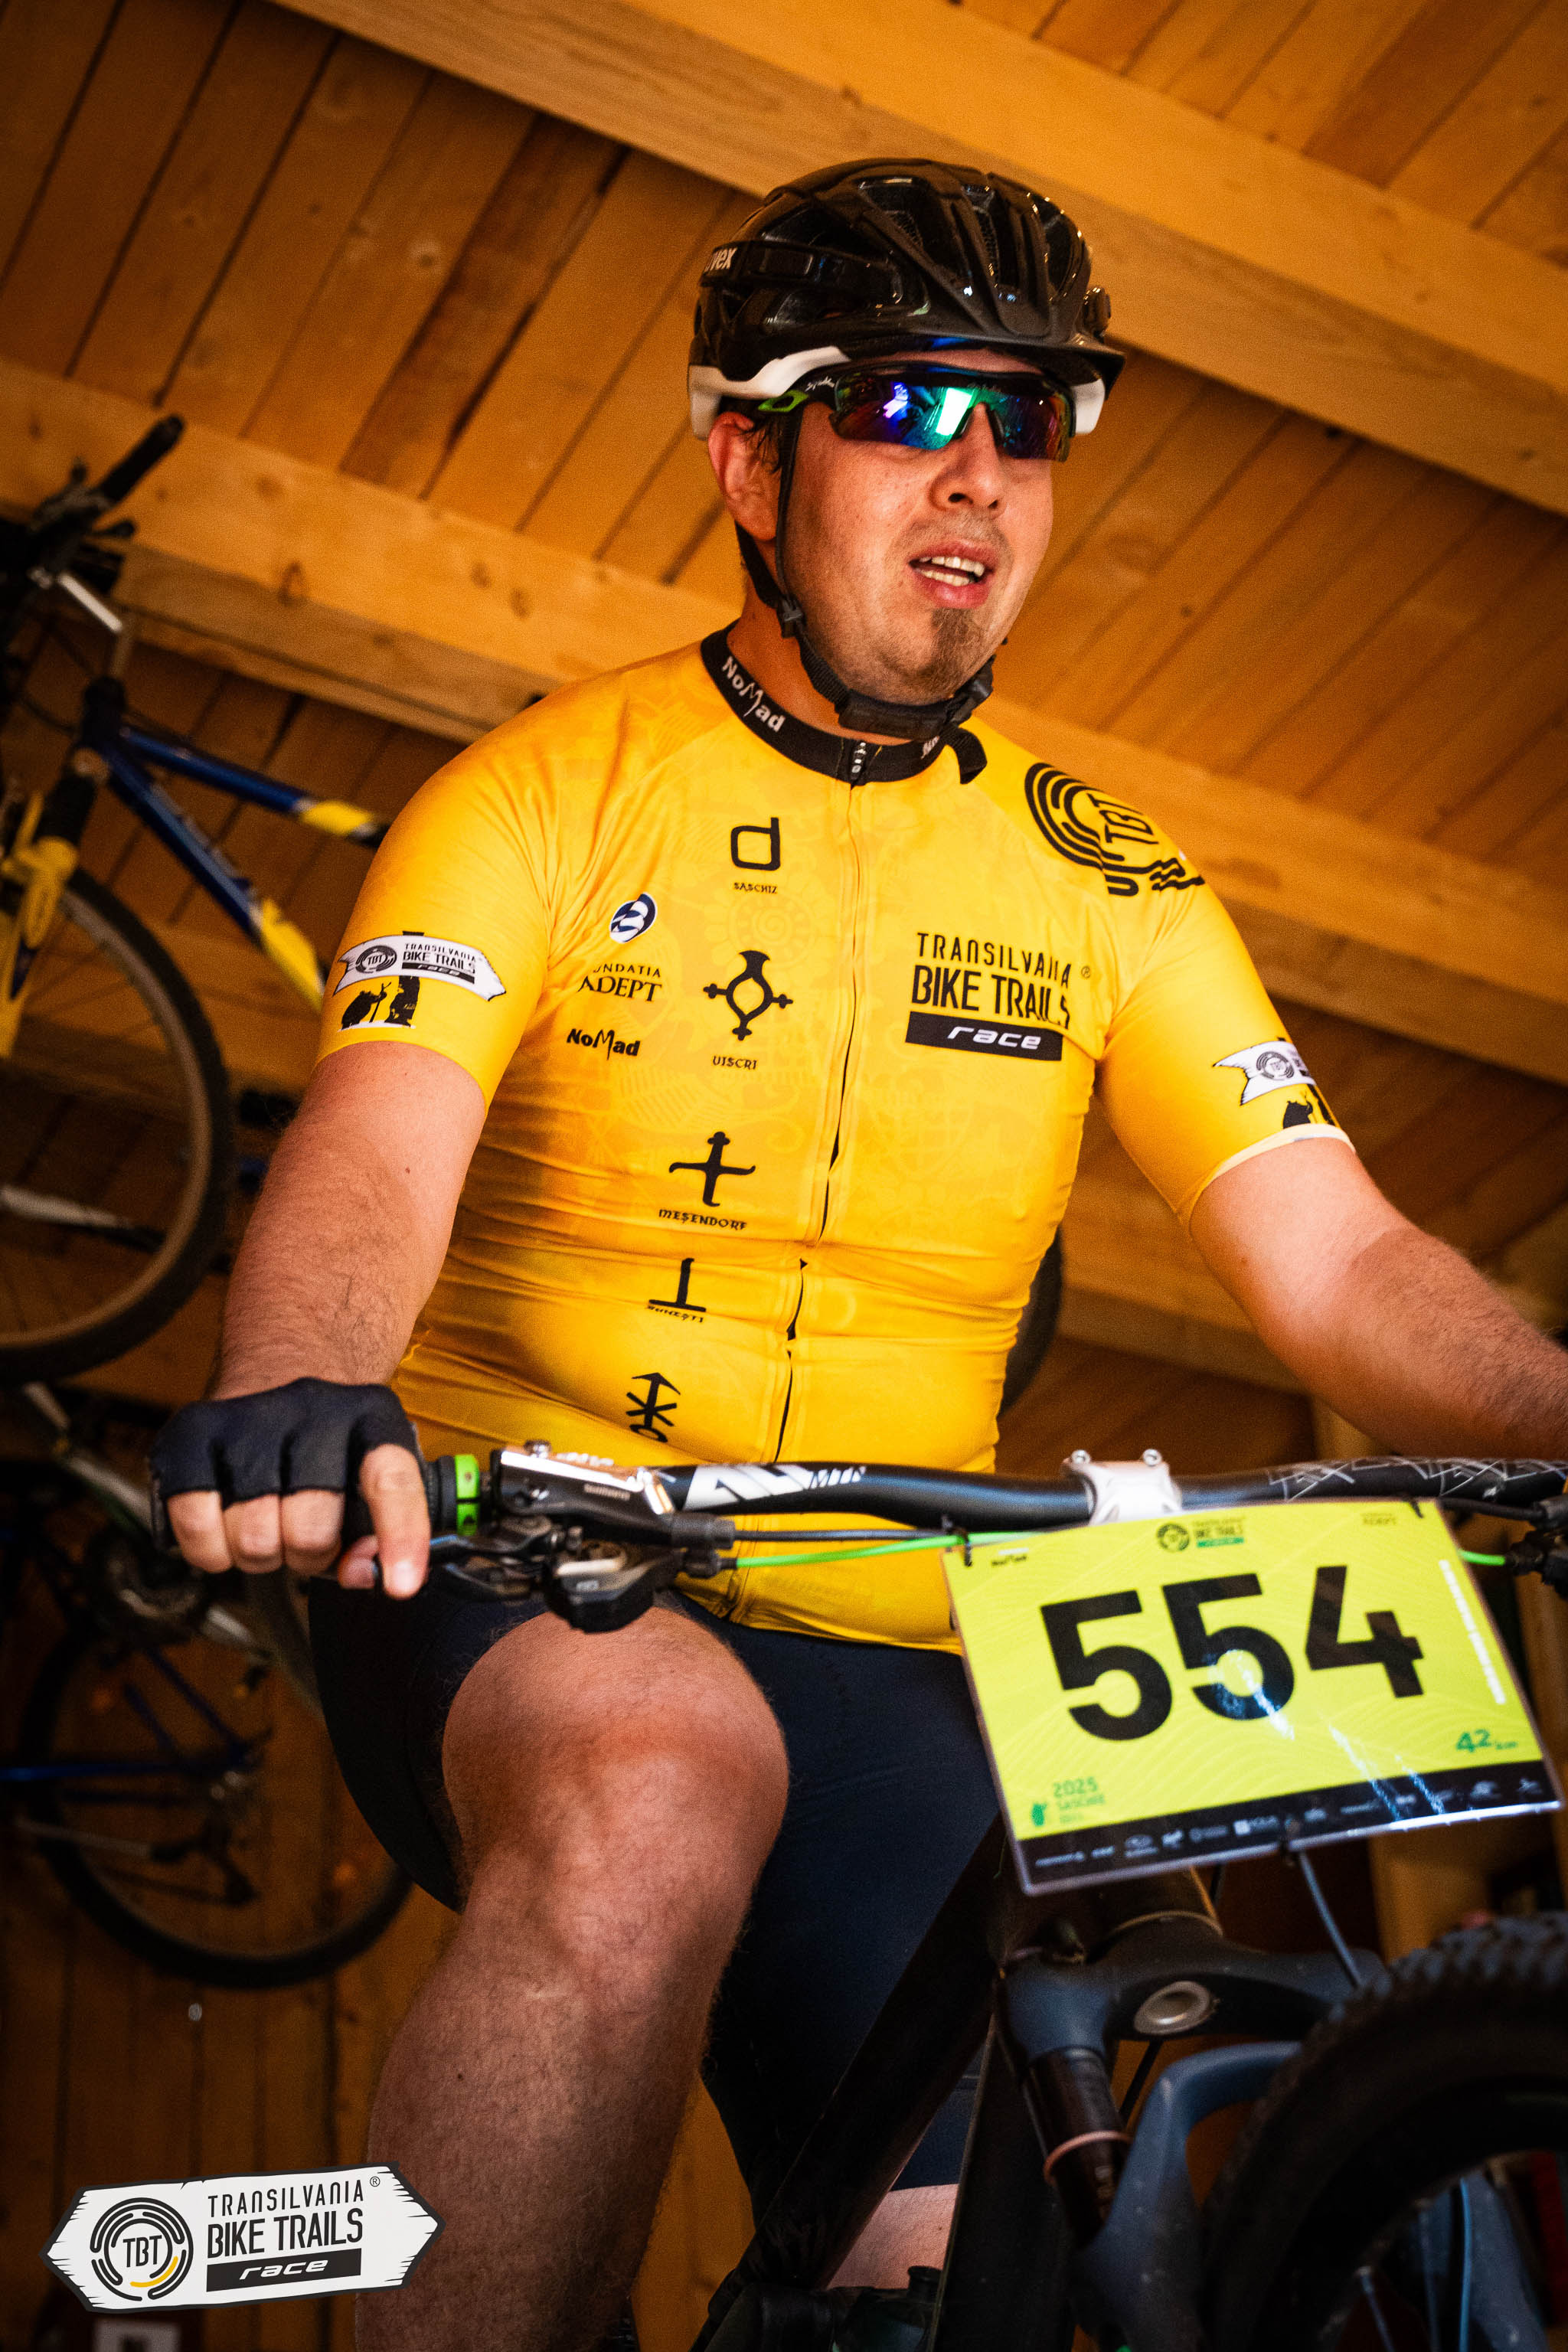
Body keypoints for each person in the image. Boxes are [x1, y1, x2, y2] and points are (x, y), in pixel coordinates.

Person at [152, 160, 1568, 2352]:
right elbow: (379, 1136)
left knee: (984, 2241)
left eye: (1031, 420)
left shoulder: (1111, 880)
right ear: (751, 462)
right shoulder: (539, 791)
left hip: (907, 1637)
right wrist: (303, 1372)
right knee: (662, 1777)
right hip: (545, 1569)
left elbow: (1333, 1257)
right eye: (908, 406)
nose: (979, 474)